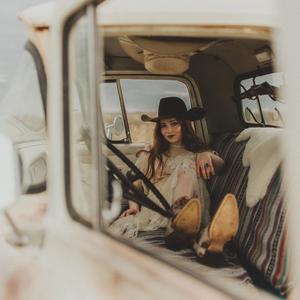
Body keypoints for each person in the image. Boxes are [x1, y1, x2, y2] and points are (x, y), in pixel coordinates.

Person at [109, 97, 239, 257]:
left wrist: (207, 155)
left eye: (174, 123)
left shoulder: (196, 153)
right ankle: (180, 224)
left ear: (184, 125)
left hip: (193, 209)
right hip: (160, 207)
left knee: (188, 165)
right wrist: (134, 207)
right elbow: (133, 182)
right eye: (163, 126)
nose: (168, 130)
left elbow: (220, 167)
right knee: (186, 166)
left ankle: (203, 241)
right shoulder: (150, 156)